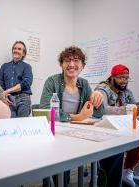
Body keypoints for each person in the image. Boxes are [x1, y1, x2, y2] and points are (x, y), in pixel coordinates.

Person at [40, 46, 104, 187]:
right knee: (63, 167)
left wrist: (99, 98)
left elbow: (98, 114)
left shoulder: (84, 84)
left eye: (76, 60)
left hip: (77, 133)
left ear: (82, 66)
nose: (71, 64)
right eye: (67, 61)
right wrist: (77, 118)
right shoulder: (52, 81)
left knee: (112, 152)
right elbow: (45, 111)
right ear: (61, 64)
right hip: (56, 134)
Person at [95, 64, 139, 187]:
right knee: (115, 152)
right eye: (121, 77)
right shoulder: (102, 89)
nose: (124, 81)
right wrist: (126, 109)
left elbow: (133, 107)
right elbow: (102, 109)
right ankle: (104, 176)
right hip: (105, 127)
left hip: (122, 126)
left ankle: (128, 170)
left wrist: (136, 109)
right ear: (112, 77)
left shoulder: (126, 91)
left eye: (127, 78)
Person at [0, 41, 33, 117]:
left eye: (19, 49)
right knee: (11, 124)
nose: (16, 50)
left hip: (23, 99)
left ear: (23, 53)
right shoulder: (4, 66)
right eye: (15, 48)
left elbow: (26, 83)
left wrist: (7, 91)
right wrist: (4, 96)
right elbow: (1, 85)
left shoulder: (27, 67)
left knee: (22, 124)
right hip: (8, 100)